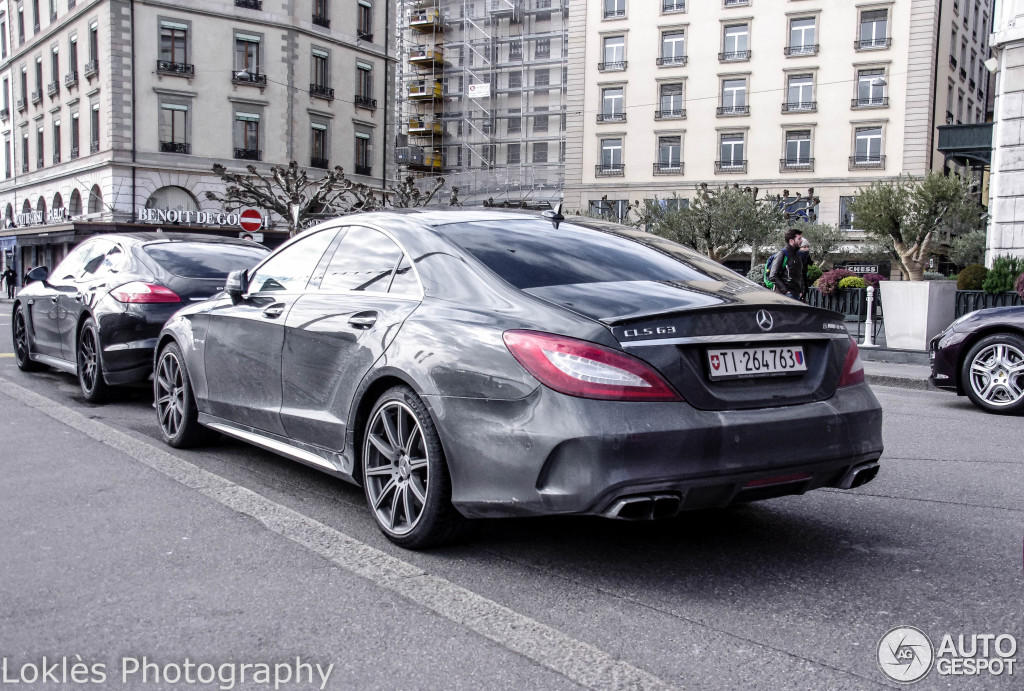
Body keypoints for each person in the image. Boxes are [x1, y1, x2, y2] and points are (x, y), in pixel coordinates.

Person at [768, 228, 805, 300]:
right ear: (791, 241)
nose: (801, 241)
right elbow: (773, 276)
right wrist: (785, 291)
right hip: (785, 295)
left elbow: (799, 275)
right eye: (799, 238)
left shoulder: (797, 255)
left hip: (795, 294)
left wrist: (801, 290)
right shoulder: (782, 254)